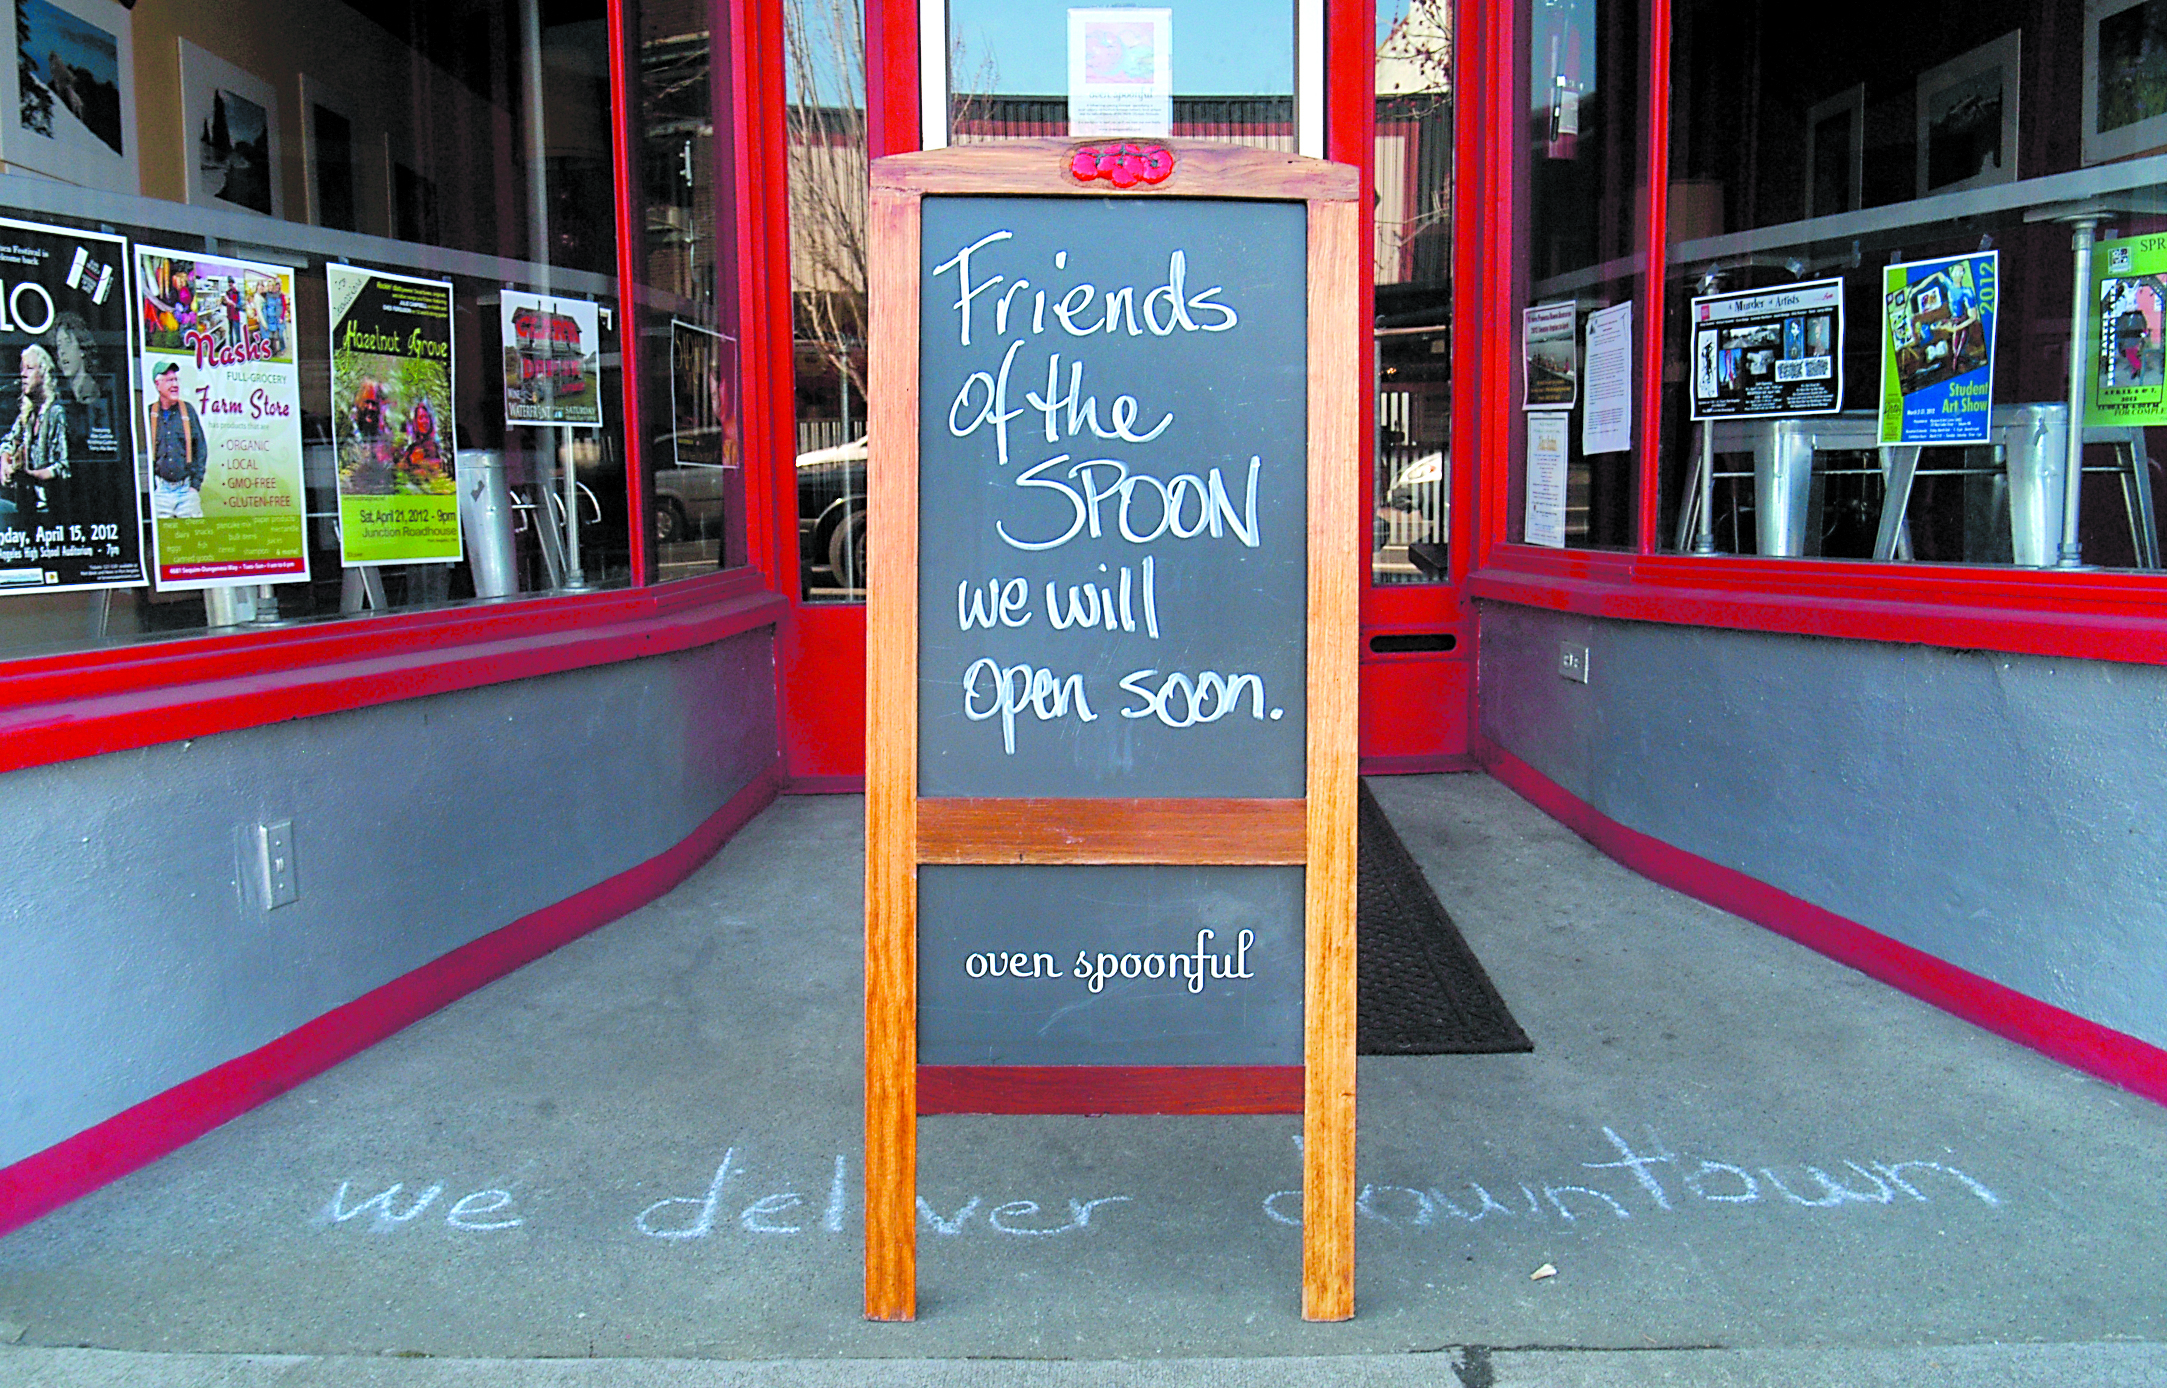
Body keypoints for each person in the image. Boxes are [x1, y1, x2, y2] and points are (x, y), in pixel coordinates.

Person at [0, 344, 68, 519]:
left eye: (29, 369)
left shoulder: (56, 413)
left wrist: (31, 475)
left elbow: (64, 468)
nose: (23, 375)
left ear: (44, 375)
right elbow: (8, 440)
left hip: (51, 508)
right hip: (27, 504)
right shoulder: (27, 415)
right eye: (22, 369)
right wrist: (5, 460)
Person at [146, 360, 207, 519]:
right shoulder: (149, 413)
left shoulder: (188, 411)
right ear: (157, 384)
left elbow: (200, 448)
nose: (174, 384)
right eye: (169, 380)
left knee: (192, 537)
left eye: (175, 380)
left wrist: (194, 486)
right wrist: (153, 488)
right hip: (161, 492)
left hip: (186, 491)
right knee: (164, 539)